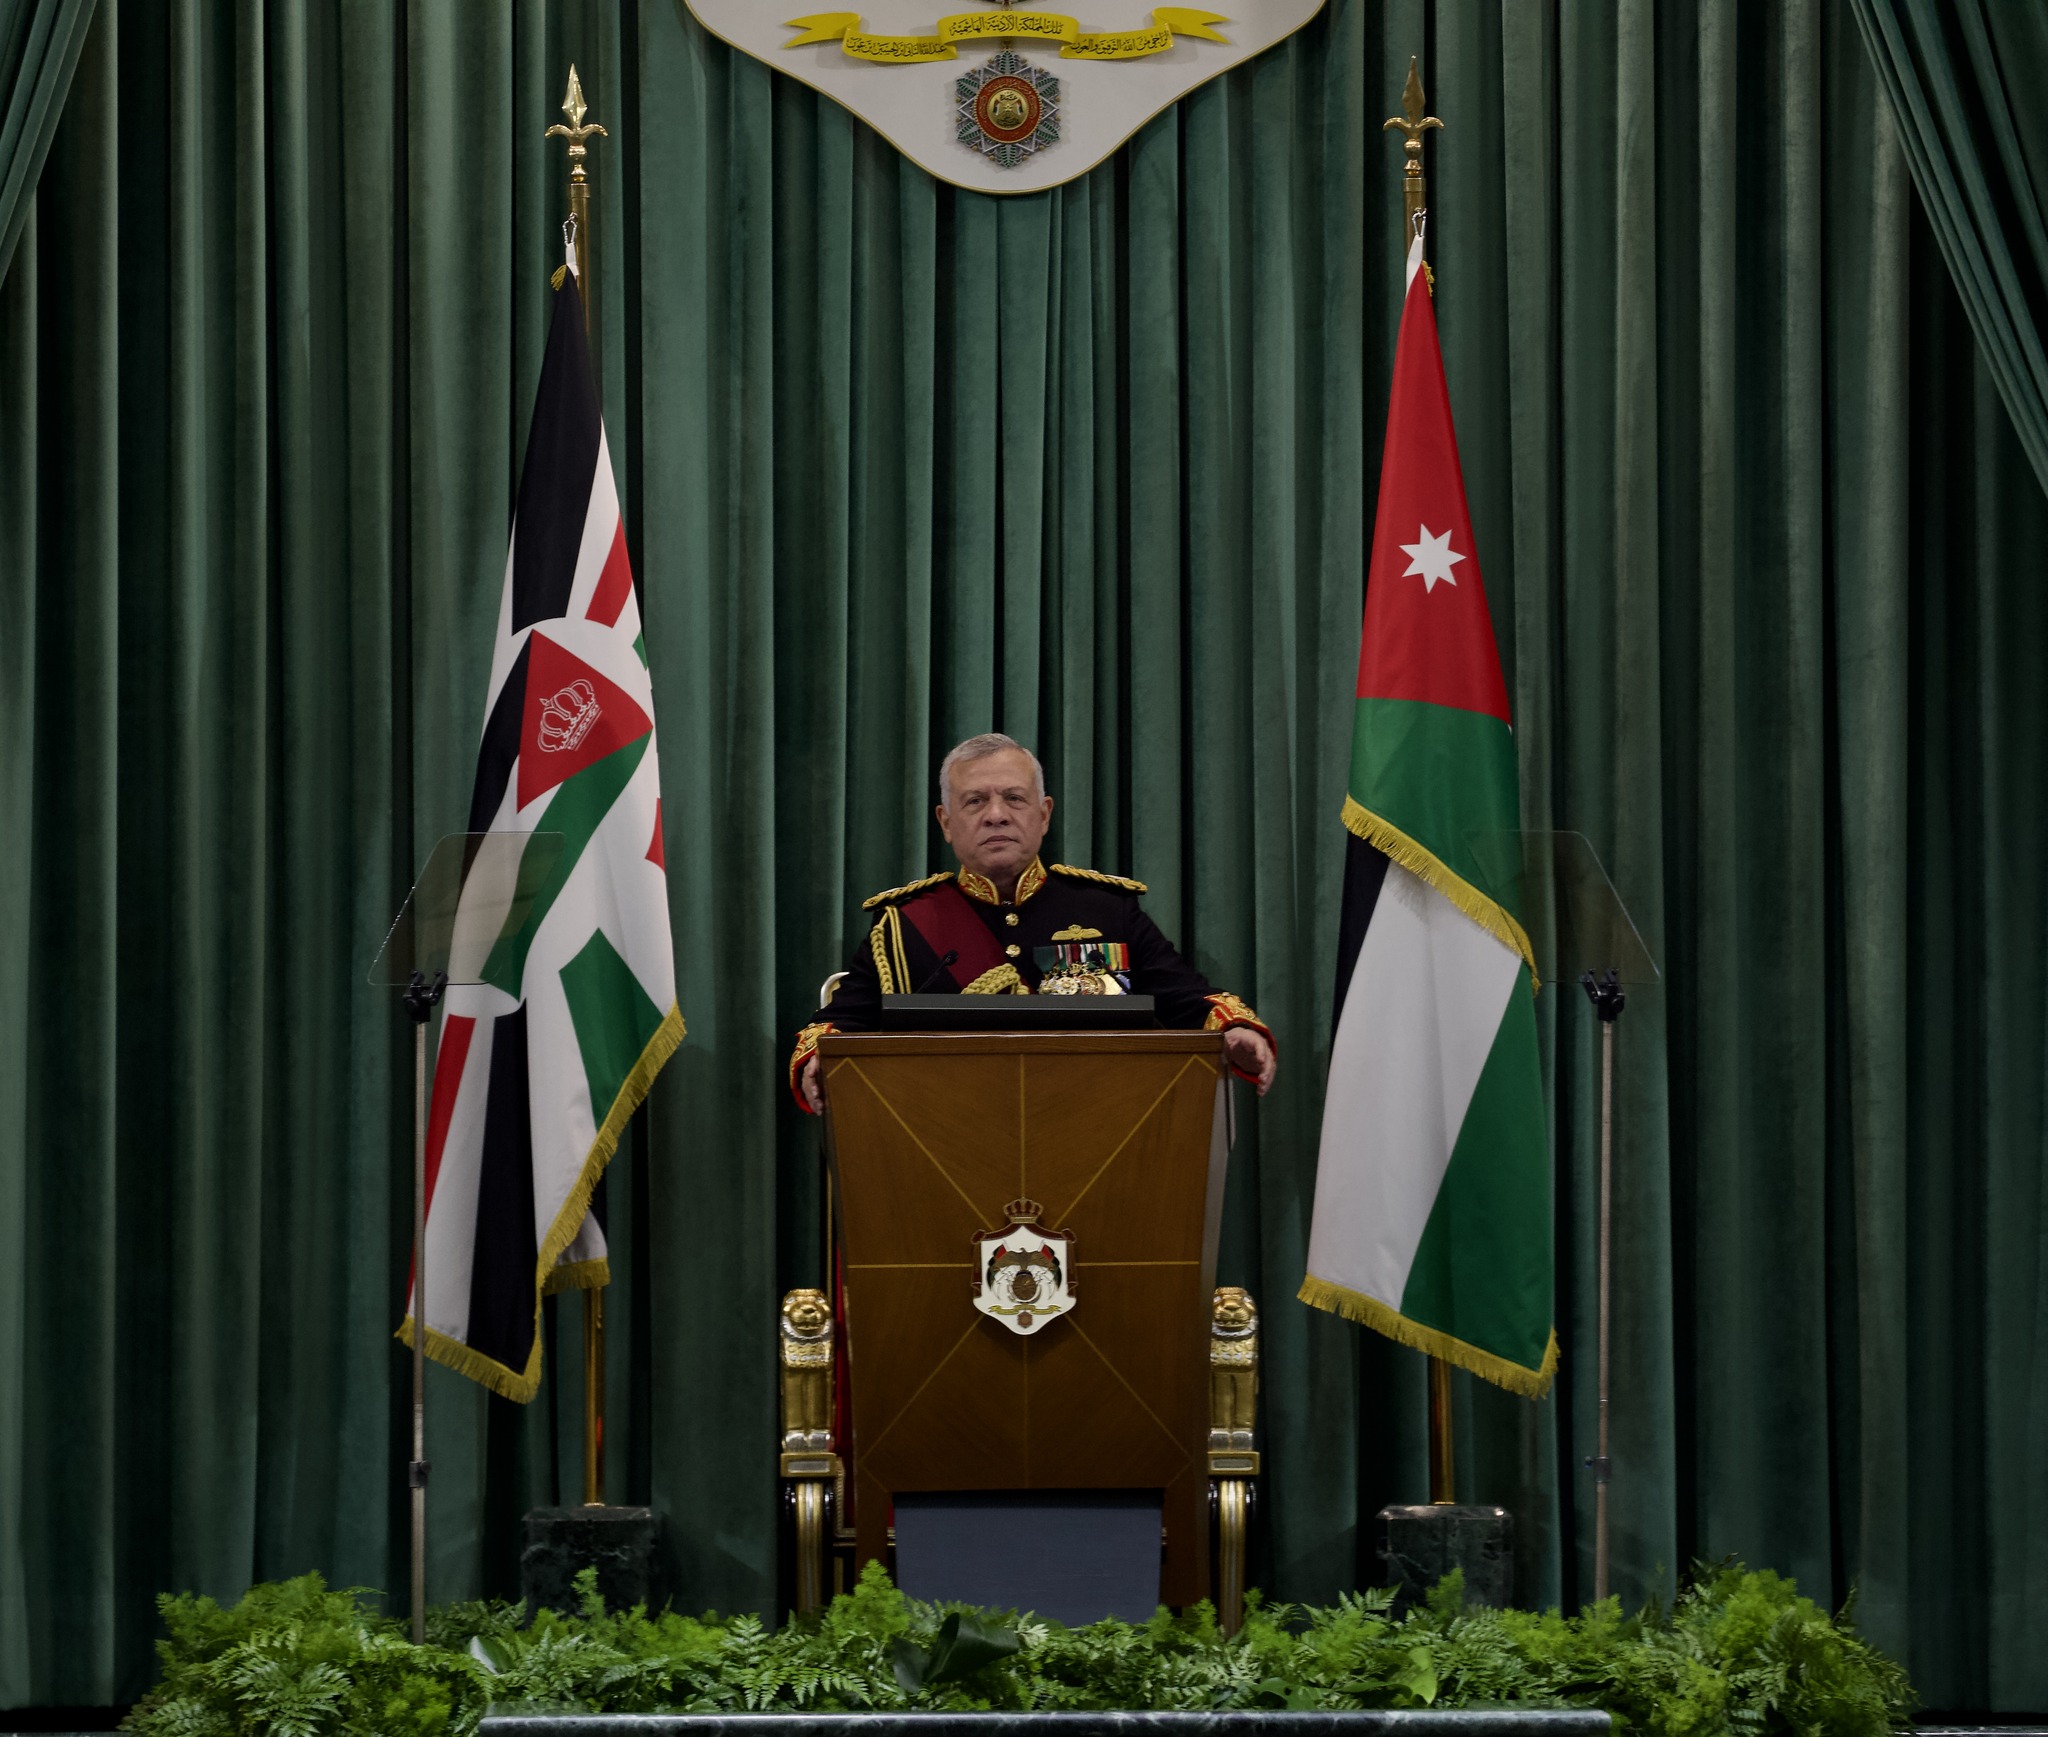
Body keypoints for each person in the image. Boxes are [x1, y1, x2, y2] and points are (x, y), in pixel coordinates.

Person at [789, 733, 1277, 1112]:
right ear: (945, 822)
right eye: (975, 801)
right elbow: (838, 1023)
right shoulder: (905, 924)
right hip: (948, 1136)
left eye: (1014, 799)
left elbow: (1186, 997)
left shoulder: (1105, 911)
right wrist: (816, 1060)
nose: (996, 815)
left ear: (1044, 815)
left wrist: (1236, 1031)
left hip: (1091, 1127)